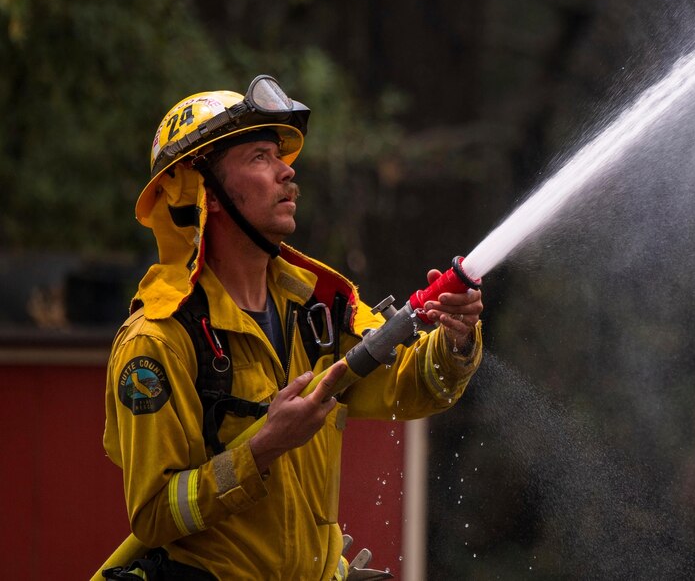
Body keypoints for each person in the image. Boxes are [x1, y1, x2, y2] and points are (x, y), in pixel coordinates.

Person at [102, 75, 484, 580]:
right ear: (206, 194)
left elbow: (409, 387)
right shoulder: (158, 340)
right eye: (260, 157)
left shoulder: (318, 307)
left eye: (281, 157)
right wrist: (262, 448)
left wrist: (455, 341)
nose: (287, 172)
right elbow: (153, 515)